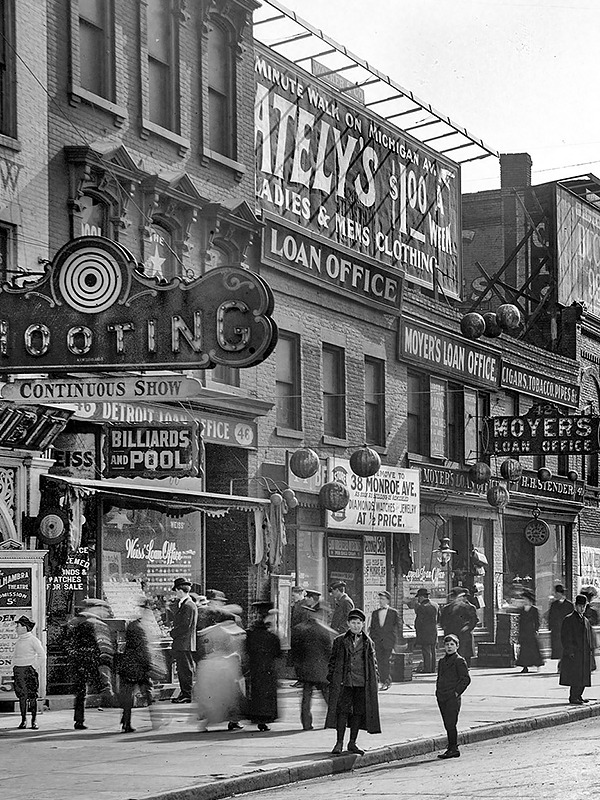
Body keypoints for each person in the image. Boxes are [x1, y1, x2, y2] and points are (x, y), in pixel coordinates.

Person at [325, 608, 381, 756]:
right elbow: (332, 662)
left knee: (358, 713)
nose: (356, 626)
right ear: (348, 624)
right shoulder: (340, 641)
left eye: (359, 623)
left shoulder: (368, 642)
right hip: (345, 683)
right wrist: (333, 678)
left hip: (362, 683)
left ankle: (352, 742)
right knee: (342, 712)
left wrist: (376, 680)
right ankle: (339, 743)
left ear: (363, 624)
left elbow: (373, 663)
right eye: (353, 623)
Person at [65, 598, 115, 731]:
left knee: (80, 692)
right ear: (94, 608)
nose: (105, 612)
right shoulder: (97, 624)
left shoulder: (74, 622)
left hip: (78, 662)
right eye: (103, 608)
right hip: (94, 663)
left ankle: (79, 720)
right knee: (104, 689)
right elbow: (104, 648)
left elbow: (68, 643)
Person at [118, 598, 165, 733]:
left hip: (130, 665)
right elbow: (143, 649)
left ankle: (126, 723)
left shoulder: (135, 625)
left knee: (129, 696)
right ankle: (156, 721)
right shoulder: (140, 627)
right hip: (139, 666)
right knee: (149, 694)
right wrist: (149, 666)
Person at [293, 598, 334, 731]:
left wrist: (298, 668)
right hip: (322, 671)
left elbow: (295, 651)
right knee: (328, 699)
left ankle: (306, 724)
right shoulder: (325, 631)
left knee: (306, 699)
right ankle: (331, 722)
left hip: (305, 670)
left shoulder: (299, 629)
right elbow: (330, 652)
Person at [245, 601, 282, 732]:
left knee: (256, 692)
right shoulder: (271, 636)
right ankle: (265, 719)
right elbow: (278, 653)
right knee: (267, 695)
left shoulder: (250, 635)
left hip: (255, 667)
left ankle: (256, 716)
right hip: (268, 668)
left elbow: (247, 650)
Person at [435, 633, 471, 759]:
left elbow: (465, 679)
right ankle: (451, 747)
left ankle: (453, 748)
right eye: (447, 644)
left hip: (452, 697)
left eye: (452, 644)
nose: (449, 647)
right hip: (442, 696)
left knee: (451, 723)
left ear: (457, 646)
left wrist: (456, 693)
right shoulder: (442, 661)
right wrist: (438, 692)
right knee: (446, 723)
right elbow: (440, 678)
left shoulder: (459, 661)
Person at [559, 593, 596, 705]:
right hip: (574, 653)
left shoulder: (585, 620)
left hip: (584, 653)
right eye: (580, 606)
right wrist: (570, 651)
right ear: (575, 606)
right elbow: (565, 637)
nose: (582, 608)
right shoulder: (569, 619)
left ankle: (579, 695)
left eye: (584, 606)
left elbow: (589, 636)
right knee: (575, 677)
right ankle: (573, 696)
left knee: (583, 677)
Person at [12, 615, 45, 730]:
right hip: (19, 670)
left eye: (18, 626)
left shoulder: (33, 640)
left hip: (28, 671)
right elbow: (16, 656)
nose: (16, 628)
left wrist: (33, 667)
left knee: (32, 697)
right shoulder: (19, 641)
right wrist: (15, 667)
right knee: (21, 697)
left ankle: (34, 720)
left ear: (25, 627)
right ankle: (23, 720)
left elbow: (42, 656)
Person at [169, 577, 198, 704]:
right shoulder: (187, 605)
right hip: (184, 643)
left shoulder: (188, 606)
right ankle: (185, 693)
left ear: (180, 590)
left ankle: (186, 694)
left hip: (184, 643)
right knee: (183, 669)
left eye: (176, 591)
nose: (176, 593)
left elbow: (185, 626)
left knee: (185, 669)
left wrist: (172, 633)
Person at [368, 590, 401, 690]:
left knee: (385, 661)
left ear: (388, 600)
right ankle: (383, 680)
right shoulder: (375, 613)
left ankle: (386, 681)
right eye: (380, 599)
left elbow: (398, 627)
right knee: (379, 661)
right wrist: (372, 639)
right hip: (378, 641)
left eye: (382, 599)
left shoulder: (393, 613)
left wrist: (396, 642)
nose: (380, 601)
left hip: (388, 641)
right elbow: (372, 628)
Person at [439, 587, 478, 667]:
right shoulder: (446, 608)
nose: (453, 599)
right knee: (451, 652)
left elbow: (474, 620)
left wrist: (467, 627)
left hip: (463, 635)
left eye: (455, 597)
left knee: (464, 654)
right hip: (451, 634)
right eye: (452, 597)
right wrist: (445, 628)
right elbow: (442, 620)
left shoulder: (469, 607)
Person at [515, 590, 544, 674]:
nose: (524, 601)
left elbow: (537, 621)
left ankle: (538, 664)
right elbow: (520, 621)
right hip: (524, 632)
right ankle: (525, 666)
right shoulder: (522, 610)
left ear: (529, 600)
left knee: (533, 649)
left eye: (525, 599)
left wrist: (536, 629)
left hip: (531, 632)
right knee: (524, 650)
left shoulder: (534, 610)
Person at [547, 584, 574, 669]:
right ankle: (561, 664)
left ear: (560, 593)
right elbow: (550, 617)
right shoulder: (554, 605)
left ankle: (562, 665)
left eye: (556, 593)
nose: (555, 595)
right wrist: (550, 627)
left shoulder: (569, 605)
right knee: (559, 649)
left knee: (565, 648)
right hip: (557, 631)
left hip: (567, 631)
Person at [413, 588, 439, 674]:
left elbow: (419, 621)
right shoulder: (435, 605)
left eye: (419, 597)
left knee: (426, 650)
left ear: (421, 597)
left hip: (424, 631)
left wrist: (416, 628)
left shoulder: (421, 607)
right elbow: (439, 618)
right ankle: (432, 668)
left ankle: (427, 668)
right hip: (433, 630)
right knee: (433, 650)